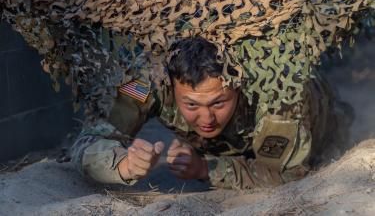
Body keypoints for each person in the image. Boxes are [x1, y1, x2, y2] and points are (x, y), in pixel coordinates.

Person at [70, 37, 352, 189]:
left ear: (239, 87)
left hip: (323, 118)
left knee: (333, 139)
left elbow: (289, 174)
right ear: (170, 87)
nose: (206, 119)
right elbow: (88, 140)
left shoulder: (278, 95)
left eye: (218, 103)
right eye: (191, 105)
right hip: (226, 143)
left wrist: (206, 169)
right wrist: (122, 166)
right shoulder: (148, 82)